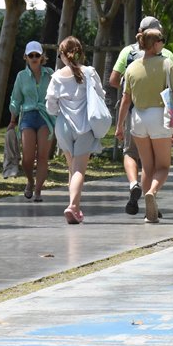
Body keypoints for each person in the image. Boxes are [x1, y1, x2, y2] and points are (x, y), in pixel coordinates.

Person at [109, 15, 173, 215]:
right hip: (160, 115)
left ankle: (135, 185)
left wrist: (120, 124)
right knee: (162, 165)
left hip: (135, 115)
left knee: (137, 159)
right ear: (157, 38)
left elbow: (117, 84)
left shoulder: (128, 57)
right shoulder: (167, 58)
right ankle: (152, 195)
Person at [46, 36, 108, 224]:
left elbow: (50, 105)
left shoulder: (56, 77)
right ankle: (73, 206)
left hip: (63, 126)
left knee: (71, 168)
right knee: (80, 169)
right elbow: (101, 95)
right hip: (85, 126)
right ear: (80, 53)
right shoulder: (89, 72)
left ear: (63, 55)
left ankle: (76, 208)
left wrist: (59, 110)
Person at [8, 40, 54, 202]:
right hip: (27, 116)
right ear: (26, 57)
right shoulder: (21, 77)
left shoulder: (50, 74)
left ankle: (38, 191)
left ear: (42, 57)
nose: (34, 58)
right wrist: (12, 120)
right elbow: (15, 99)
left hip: (45, 117)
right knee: (27, 157)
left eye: (37, 55)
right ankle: (29, 181)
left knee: (42, 156)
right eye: (31, 55)